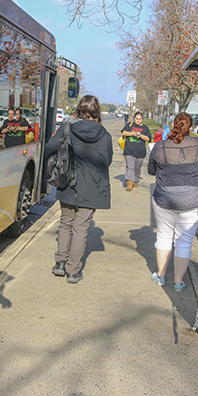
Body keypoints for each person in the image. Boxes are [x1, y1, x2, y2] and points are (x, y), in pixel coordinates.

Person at [147, 113, 198, 291]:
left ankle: (161, 276)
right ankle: (178, 282)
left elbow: (151, 170)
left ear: (173, 125)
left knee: (164, 236)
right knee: (185, 241)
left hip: (165, 198)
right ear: (191, 127)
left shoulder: (160, 146)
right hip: (195, 200)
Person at [45, 95, 112, 283]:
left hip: (68, 183)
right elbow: (107, 161)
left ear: (79, 110)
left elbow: (49, 148)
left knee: (66, 223)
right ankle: (73, 271)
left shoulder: (67, 128)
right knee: (81, 229)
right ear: (97, 112)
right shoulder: (104, 134)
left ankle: (60, 263)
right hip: (92, 187)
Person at [121, 111, 151, 191]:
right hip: (129, 150)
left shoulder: (145, 128)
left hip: (140, 152)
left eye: (140, 119)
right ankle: (129, 183)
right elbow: (124, 132)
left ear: (142, 119)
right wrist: (132, 134)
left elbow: (148, 138)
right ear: (134, 118)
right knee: (130, 167)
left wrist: (140, 135)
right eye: (136, 119)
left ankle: (135, 180)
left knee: (137, 168)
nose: (138, 120)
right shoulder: (129, 125)